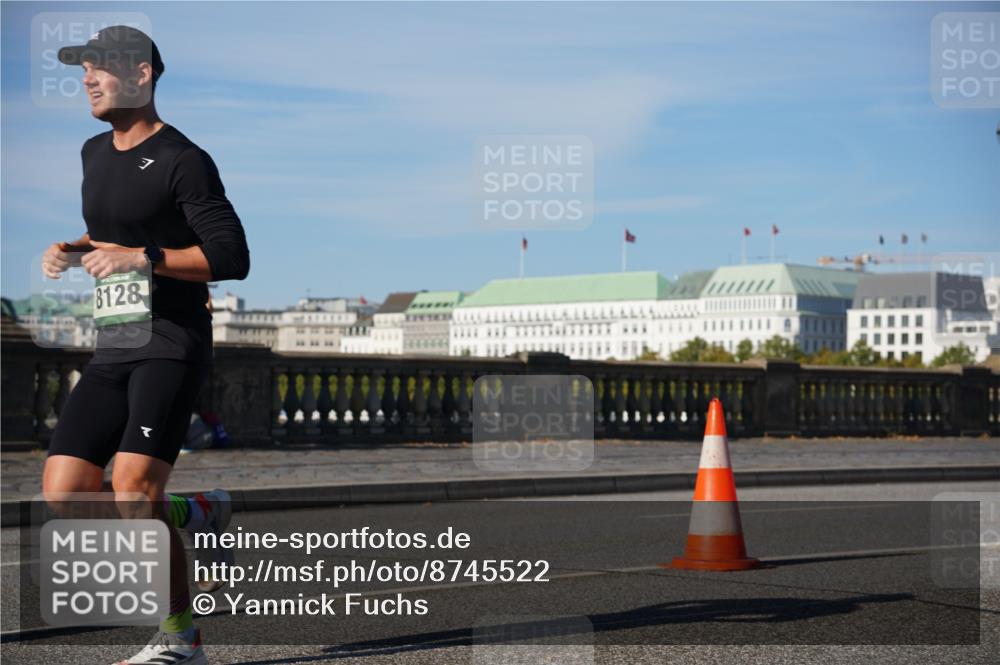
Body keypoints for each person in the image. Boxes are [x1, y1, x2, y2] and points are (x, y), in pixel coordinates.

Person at [41, 25, 250, 665]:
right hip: (116, 335)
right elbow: (117, 228)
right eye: (83, 70)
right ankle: (195, 512)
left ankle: (180, 640)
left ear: (142, 76)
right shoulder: (92, 152)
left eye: (99, 67)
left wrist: (142, 256)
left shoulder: (186, 159)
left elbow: (230, 257)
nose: (87, 79)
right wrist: (77, 246)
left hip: (170, 336)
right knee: (66, 490)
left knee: (133, 488)